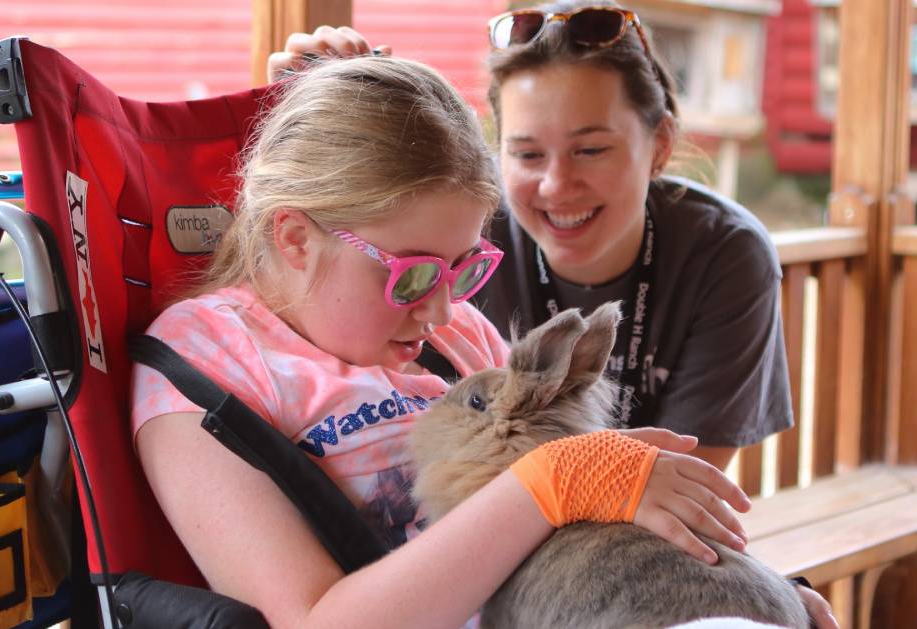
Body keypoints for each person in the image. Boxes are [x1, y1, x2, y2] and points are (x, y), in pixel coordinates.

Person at [131, 54, 752, 628]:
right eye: (411, 274)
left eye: (464, 268)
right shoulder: (205, 365)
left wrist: (740, 592)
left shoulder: (454, 336)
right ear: (295, 237)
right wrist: (547, 484)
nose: (441, 308)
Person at [268, 1, 793, 474]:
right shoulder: (460, 236)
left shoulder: (725, 254)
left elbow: (680, 484)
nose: (556, 186)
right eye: (526, 154)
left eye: (590, 151)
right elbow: (307, 246)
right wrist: (291, 111)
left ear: (659, 146)